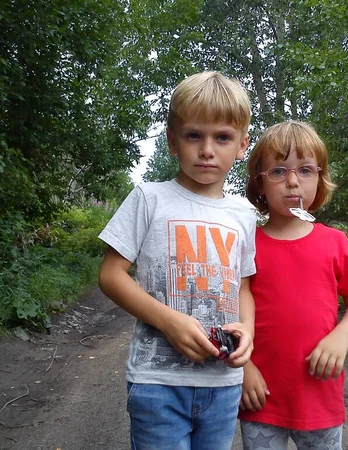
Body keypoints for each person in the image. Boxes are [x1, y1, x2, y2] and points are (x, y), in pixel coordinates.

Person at [98, 71, 257, 450]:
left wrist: (248, 330)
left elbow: (244, 285)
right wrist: (168, 321)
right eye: (193, 136)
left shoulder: (245, 214)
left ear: (242, 145)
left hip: (222, 385)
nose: (207, 149)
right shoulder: (148, 198)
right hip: (157, 383)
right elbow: (110, 275)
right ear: (172, 141)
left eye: (222, 137)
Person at [239, 121, 348, 450]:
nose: (293, 181)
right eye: (279, 171)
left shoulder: (335, 242)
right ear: (260, 182)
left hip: (319, 396)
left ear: (320, 179)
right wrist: (245, 368)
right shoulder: (246, 244)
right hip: (260, 396)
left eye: (306, 170)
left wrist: (341, 336)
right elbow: (232, 307)